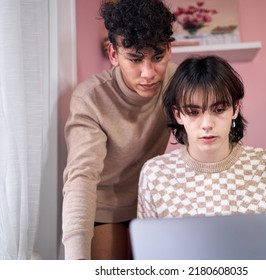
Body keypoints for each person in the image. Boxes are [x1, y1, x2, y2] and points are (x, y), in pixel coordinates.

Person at [62, 0, 176, 260]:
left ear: (169, 49)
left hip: (153, 202)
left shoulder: (177, 83)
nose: (148, 73)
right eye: (135, 59)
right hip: (104, 205)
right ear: (113, 54)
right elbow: (81, 176)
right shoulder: (90, 98)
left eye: (157, 57)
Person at [137, 55, 266, 219]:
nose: (207, 124)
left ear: (235, 108)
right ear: (178, 115)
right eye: (193, 112)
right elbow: (151, 244)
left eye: (218, 110)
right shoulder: (155, 174)